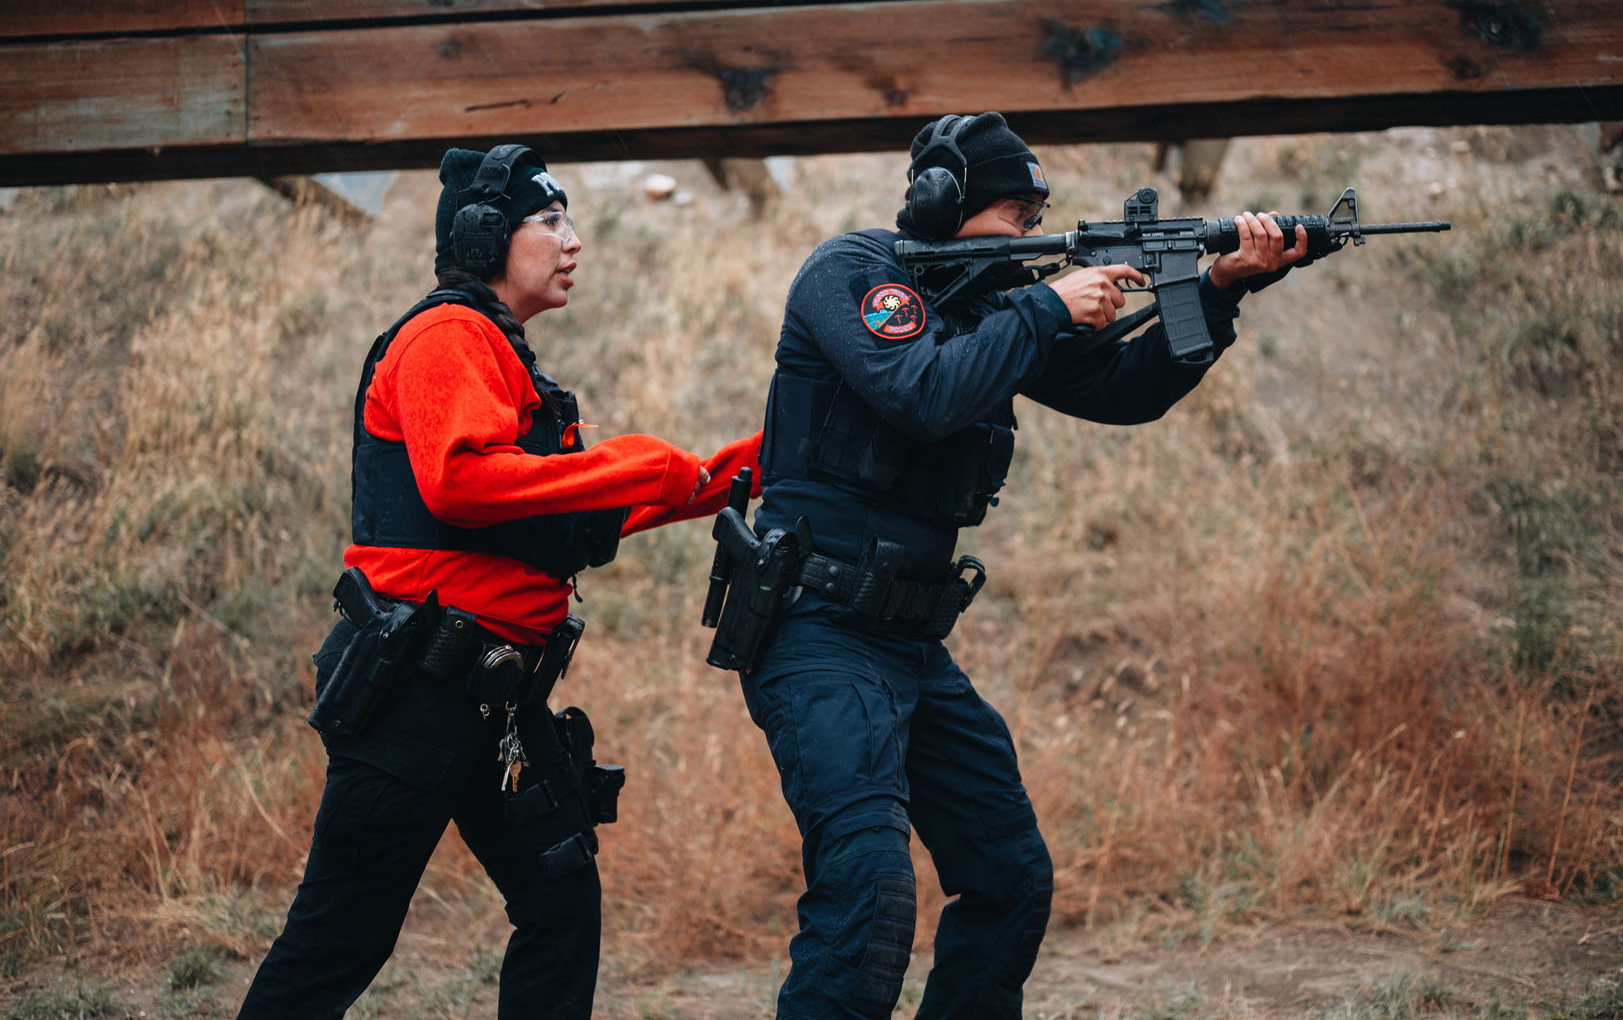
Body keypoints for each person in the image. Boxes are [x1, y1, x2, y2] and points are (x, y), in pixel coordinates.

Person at [735, 112, 1306, 1018]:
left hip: (908, 642)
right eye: (1013, 213)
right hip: (817, 631)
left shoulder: (990, 304)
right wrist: (1046, 306)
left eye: (1039, 214)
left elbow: (1123, 391)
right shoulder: (855, 274)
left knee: (1007, 878)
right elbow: (921, 393)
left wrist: (1222, 287)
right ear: (939, 203)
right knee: (869, 894)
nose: (1032, 235)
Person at [237, 144, 760, 1020]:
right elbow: (461, 483)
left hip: (493, 701)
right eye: (550, 221)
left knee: (560, 907)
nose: (573, 242)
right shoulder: (449, 335)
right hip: (418, 696)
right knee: (339, 938)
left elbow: (570, 512)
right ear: (483, 238)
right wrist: (637, 466)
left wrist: (757, 461)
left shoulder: (502, 356)